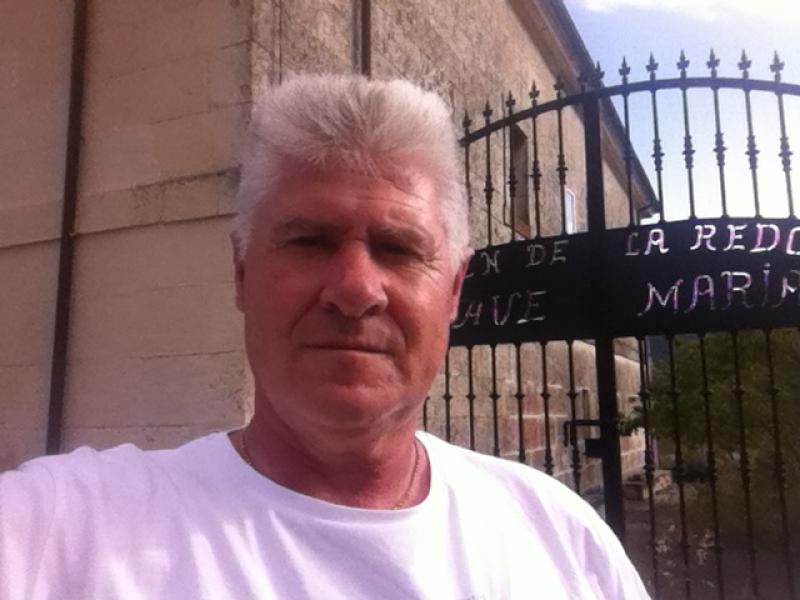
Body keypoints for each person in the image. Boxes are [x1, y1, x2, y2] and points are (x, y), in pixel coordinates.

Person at [0, 74, 650, 599]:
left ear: (453, 291)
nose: (355, 288)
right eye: (309, 241)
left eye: (398, 248)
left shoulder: (563, 541)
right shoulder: (58, 534)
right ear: (241, 272)